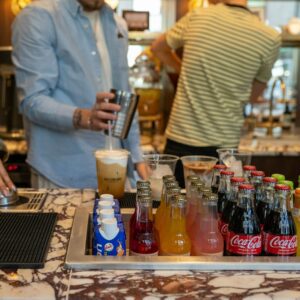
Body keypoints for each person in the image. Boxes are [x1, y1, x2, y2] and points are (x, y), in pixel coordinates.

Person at [12, 0, 147, 189]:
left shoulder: (117, 23)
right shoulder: (38, 17)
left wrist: (137, 157)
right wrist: (85, 117)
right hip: (61, 176)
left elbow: (125, 95)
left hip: (116, 171)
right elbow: (32, 100)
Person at [151, 0, 281, 187]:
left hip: (182, 140)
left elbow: (158, 48)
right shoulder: (270, 37)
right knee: (219, 213)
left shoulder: (199, 16)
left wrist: (185, 69)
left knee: (175, 212)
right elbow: (252, 97)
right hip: (225, 150)